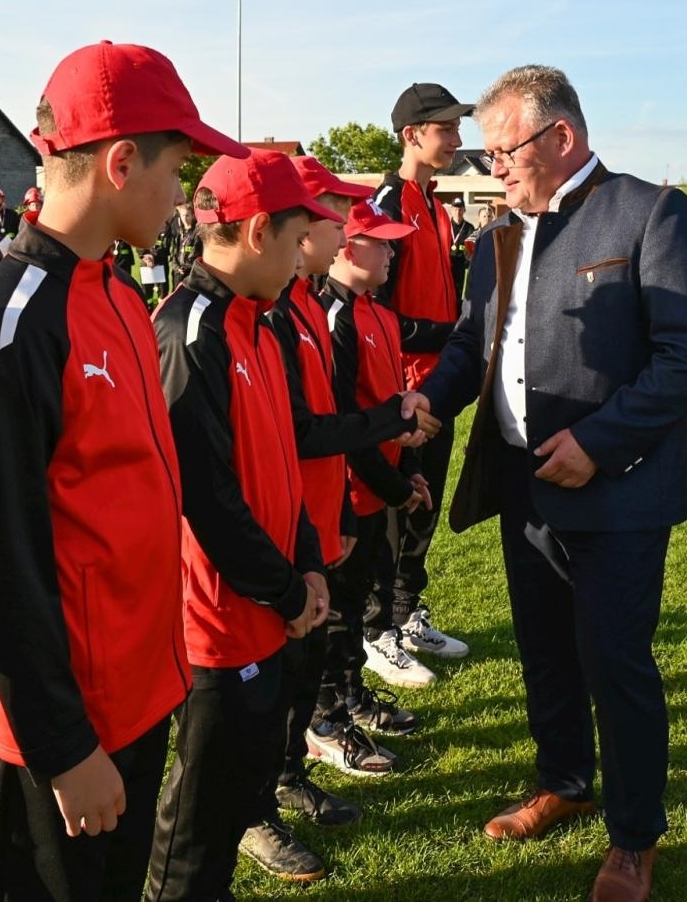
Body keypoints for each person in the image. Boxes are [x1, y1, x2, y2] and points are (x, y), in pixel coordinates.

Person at [404, 65, 687, 902]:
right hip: (524, 485)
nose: (494, 166)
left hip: (616, 491)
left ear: (562, 138)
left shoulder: (652, 215)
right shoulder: (499, 232)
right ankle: (562, 781)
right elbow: (472, 346)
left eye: (505, 149)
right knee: (545, 651)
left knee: (614, 661)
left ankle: (633, 837)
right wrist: (429, 402)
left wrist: (599, 441)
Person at [0, 41, 247, 902]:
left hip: (136, 694)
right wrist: (65, 745)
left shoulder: (113, 292)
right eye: (178, 167)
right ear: (120, 163)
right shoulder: (13, 327)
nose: (185, 193)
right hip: (69, 726)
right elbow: (0, 567)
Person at [146, 149, 340, 902]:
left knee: (231, 798)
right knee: (197, 815)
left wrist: (308, 563)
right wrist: (286, 590)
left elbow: (278, 466)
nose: (302, 259)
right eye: (297, 240)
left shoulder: (256, 321)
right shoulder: (189, 331)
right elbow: (206, 496)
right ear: (258, 232)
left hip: (265, 603)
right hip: (216, 622)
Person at [242, 156, 431, 884]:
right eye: (330, 211)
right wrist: (386, 429)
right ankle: (259, 803)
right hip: (287, 537)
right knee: (266, 688)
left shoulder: (299, 308)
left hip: (322, 522)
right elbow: (306, 432)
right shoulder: (276, 315)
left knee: (308, 660)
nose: (341, 224)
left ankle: (290, 772)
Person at [313, 199, 436, 752]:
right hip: (353, 491)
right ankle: (328, 715)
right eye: (380, 242)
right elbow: (344, 425)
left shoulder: (379, 312)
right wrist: (393, 487)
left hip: (382, 487)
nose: (391, 251)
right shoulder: (332, 316)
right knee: (340, 611)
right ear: (347, 246)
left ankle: (353, 695)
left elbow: (394, 407)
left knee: (367, 597)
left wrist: (408, 469)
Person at [366, 82, 472, 675]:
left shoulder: (434, 203)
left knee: (424, 507)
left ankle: (407, 613)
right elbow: (377, 317)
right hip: (404, 390)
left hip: (441, 384)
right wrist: (450, 334)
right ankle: (375, 629)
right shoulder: (387, 204)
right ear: (413, 135)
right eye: (447, 129)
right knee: (398, 507)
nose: (458, 139)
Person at [448, 198, 476, 297]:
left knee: (459, 294)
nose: (458, 212)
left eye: (460, 209)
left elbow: (471, 249)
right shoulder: (446, 225)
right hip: (448, 264)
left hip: (462, 266)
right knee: (447, 292)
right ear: (451, 210)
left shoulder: (470, 227)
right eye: (455, 209)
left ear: (464, 210)